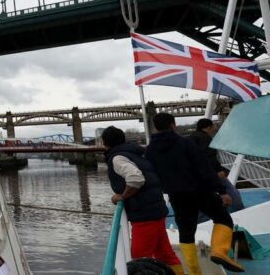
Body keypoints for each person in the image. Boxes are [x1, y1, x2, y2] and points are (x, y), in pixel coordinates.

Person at [145, 112, 244, 273]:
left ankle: (193, 272)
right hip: (199, 191)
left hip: (176, 195)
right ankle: (219, 252)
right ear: (173, 125)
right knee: (223, 219)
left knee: (186, 233)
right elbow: (204, 168)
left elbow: (151, 174)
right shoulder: (185, 143)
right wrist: (221, 191)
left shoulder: (150, 150)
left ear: (156, 127)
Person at [101, 126, 183, 275]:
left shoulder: (118, 158)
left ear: (105, 143)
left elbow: (136, 178)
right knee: (165, 254)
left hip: (144, 215)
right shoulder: (136, 155)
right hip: (156, 210)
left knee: (140, 258)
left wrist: (123, 196)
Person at [191, 118, 244, 212]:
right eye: (213, 126)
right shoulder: (205, 138)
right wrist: (219, 170)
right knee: (230, 191)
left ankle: (204, 217)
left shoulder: (191, 137)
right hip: (210, 171)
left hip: (197, 174)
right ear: (208, 127)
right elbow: (209, 155)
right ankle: (238, 210)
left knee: (204, 196)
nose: (213, 129)